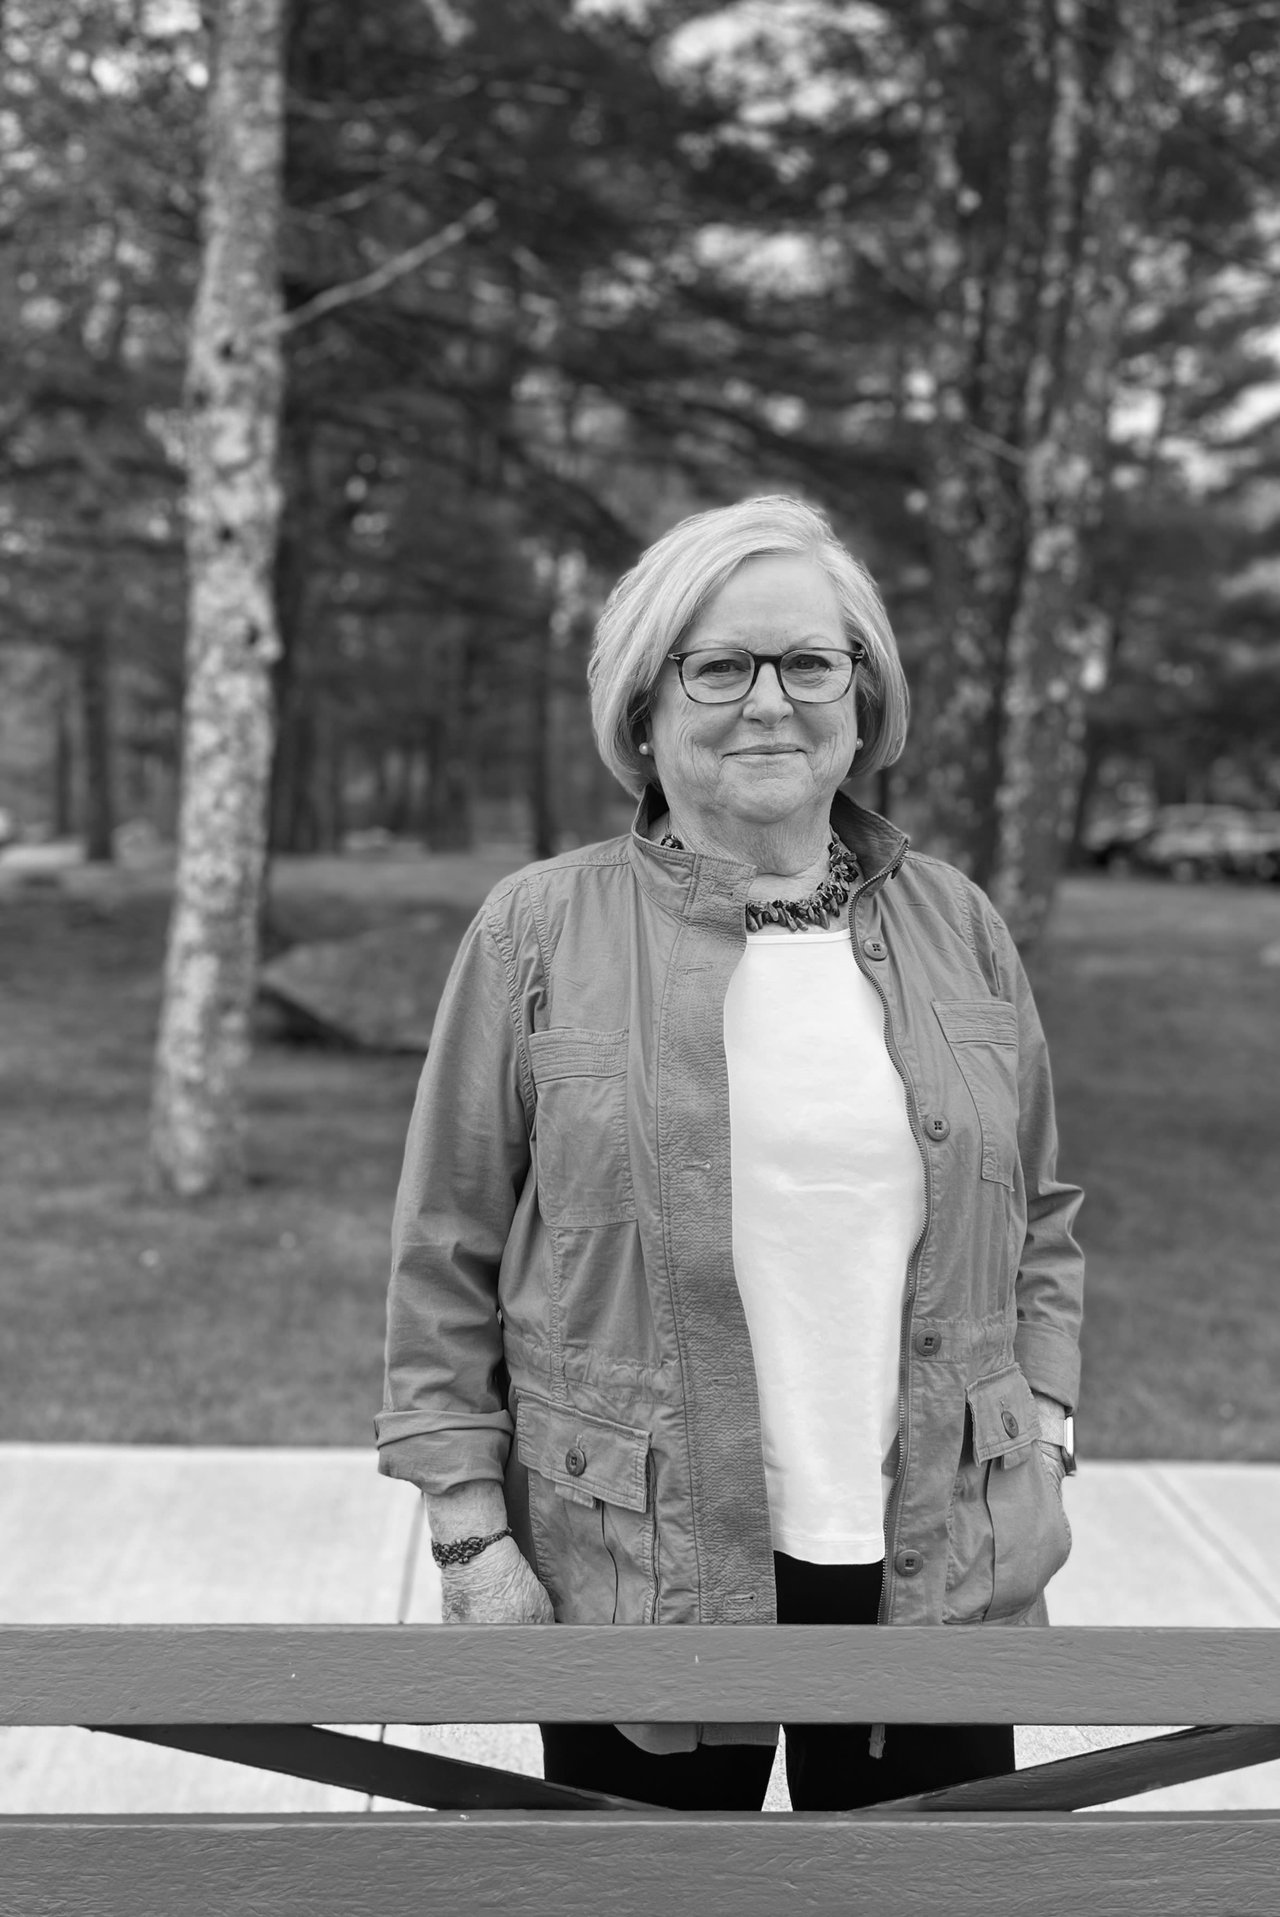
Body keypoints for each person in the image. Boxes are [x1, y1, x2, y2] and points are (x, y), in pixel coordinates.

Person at [376, 494, 1083, 1812]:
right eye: (721, 665)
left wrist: (1043, 1421)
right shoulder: (536, 931)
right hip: (644, 1559)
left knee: (916, 1915)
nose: (772, 700)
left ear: (862, 701)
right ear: (647, 706)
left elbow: (1040, 1210)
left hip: (935, 1554)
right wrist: (471, 1534)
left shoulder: (959, 924)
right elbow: (442, 1252)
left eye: (812, 662)